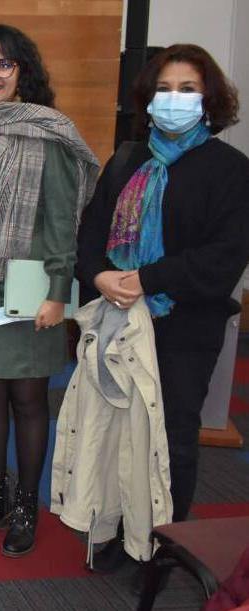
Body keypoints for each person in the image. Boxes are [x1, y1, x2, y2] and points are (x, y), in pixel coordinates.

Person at [77, 43, 249, 571]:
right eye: (165, 89)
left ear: (210, 99)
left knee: (170, 437)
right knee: (116, 430)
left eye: (188, 89)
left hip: (183, 326)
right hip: (119, 318)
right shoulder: (127, 158)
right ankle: (118, 531)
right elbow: (89, 236)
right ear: (148, 100)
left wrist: (146, 278)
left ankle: (164, 546)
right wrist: (102, 275)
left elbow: (223, 259)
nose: (174, 99)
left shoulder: (230, 169)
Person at [0, 25, 99, 557]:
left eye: (4, 65)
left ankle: (26, 504)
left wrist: (58, 292)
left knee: (29, 399)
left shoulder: (47, 133)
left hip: (31, 288)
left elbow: (63, 222)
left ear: (22, 73)